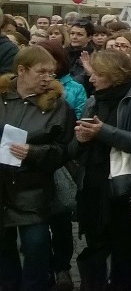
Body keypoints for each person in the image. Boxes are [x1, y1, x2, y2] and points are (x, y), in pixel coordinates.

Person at [70, 50, 131, 291]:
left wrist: (102, 131)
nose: (91, 79)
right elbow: (77, 145)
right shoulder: (94, 100)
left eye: (97, 74)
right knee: (96, 244)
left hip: (124, 189)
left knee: (126, 250)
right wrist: (80, 138)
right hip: (93, 186)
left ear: (113, 75)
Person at [0, 46, 75, 291]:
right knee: (4, 251)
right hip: (1, 186)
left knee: (36, 245)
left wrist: (34, 152)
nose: (47, 79)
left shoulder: (58, 106)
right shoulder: (2, 97)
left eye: (51, 74)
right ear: (21, 70)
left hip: (34, 189)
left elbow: (65, 150)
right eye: (41, 72)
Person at [66, 20, 95, 94]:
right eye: (72, 33)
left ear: (89, 38)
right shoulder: (63, 52)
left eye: (79, 35)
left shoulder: (93, 56)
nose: (74, 37)